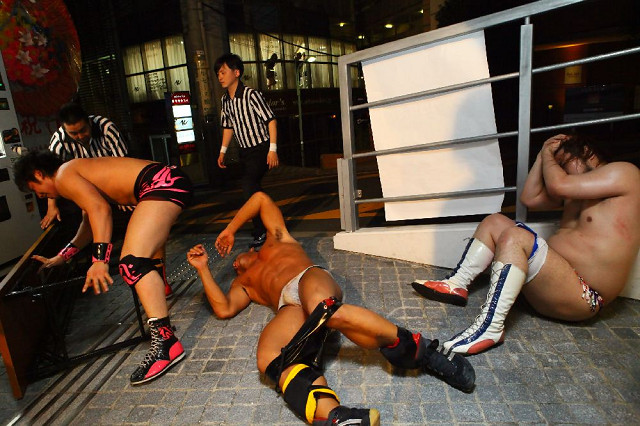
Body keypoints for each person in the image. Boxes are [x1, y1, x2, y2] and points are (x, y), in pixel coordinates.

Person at [187, 192, 475, 426]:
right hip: (289, 307)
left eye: (236, 259)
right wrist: (202, 269)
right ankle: (335, 417)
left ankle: (424, 352)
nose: (234, 264)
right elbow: (224, 308)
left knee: (324, 310)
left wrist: (229, 230)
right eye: (233, 267)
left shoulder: (276, 238)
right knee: (269, 359)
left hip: (307, 278)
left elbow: (261, 199)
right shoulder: (243, 283)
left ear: (250, 248)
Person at [411, 134, 640, 355]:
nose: (558, 170)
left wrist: (550, 155)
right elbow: (529, 198)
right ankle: (457, 284)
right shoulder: (575, 190)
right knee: (495, 221)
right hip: (551, 284)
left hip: (584, 298)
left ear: (586, 152)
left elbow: (558, 185)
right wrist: (542, 154)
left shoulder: (625, 173)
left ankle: (490, 328)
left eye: (563, 163)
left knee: (516, 237)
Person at [13, 151, 193, 385]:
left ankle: (166, 344)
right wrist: (62, 257)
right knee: (137, 261)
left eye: (35, 190)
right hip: (165, 181)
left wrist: (100, 261)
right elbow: (89, 223)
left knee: (132, 263)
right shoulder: (74, 175)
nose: (39, 195)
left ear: (39, 174)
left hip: (160, 184)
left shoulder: (64, 175)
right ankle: (164, 334)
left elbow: (100, 210)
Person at [44, 102, 174, 298]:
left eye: (82, 130)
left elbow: (124, 164)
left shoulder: (106, 128)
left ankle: (159, 276)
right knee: (88, 223)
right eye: (73, 133)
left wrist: (123, 197)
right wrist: (51, 205)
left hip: (121, 186)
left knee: (152, 230)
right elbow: (52, 177)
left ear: (89, 122)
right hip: (90, 191)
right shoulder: (58, 142)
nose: (79, 136)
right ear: (64, 129)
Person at [214, 53, 279, 249]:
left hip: (261, 148)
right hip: (244, 152)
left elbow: (271, 120)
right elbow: (228, 127)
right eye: (218, 73)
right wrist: (222, 152)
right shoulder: (225, 101)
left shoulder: (251, 95)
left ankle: (261, 232)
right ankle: (272, 224)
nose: (220, 76)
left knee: (249, 187)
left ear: (236, 73)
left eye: (223, 72)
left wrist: (272, 150)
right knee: (254, 190)